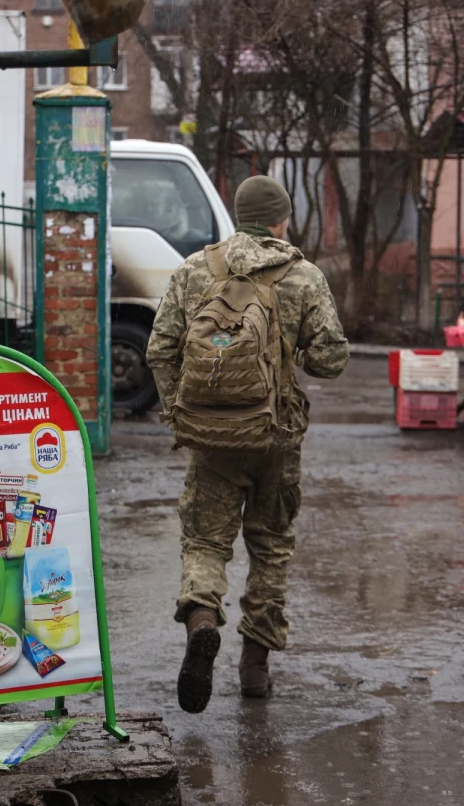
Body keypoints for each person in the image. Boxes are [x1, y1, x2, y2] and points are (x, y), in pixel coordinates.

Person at [146, 175, 349, 713]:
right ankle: (254, 669)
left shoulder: (196, 270)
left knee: (206, 542)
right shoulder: (303, 276)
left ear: (238, 216)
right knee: (270, 547)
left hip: (211, 440)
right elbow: (330, 361)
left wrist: (181, 416)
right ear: (282, 219)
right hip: (275, 437)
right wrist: (294, 352)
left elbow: (160, 349)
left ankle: (202, 622)